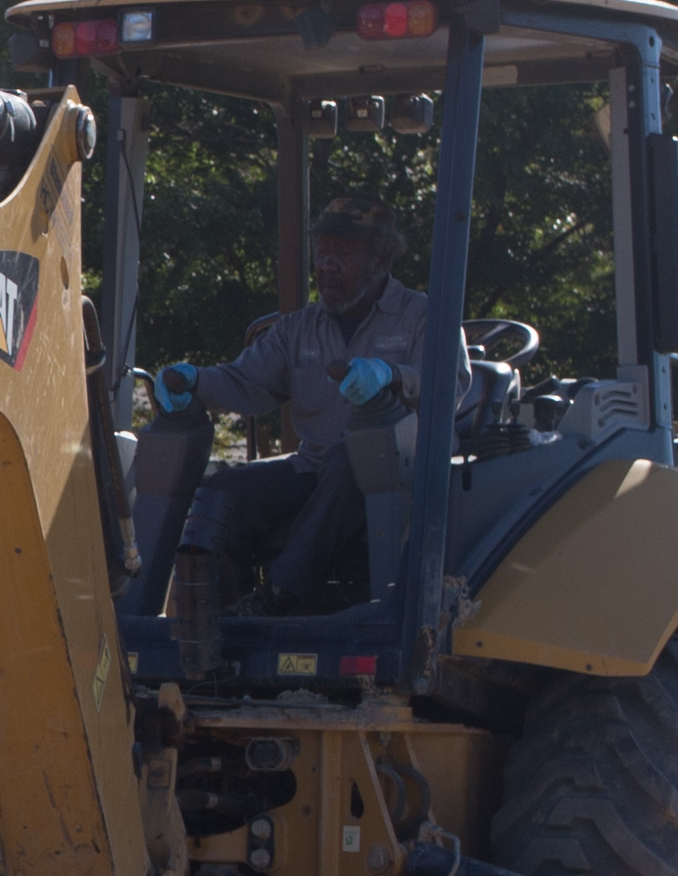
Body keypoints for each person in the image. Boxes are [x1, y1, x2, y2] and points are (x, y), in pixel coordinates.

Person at [126, 199, 447, 654]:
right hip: (315, 470)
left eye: (344, 253)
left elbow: (452, 385)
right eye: (323, 251)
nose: (327, 265)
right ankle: (224, 630)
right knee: (226, 490)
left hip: (400, 477)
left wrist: (393, 376)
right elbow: (244, 382)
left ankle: (274, 597)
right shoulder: (298, 329)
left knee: (348, 459)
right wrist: (196, 382)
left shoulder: (423, 316)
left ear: (379, 259)